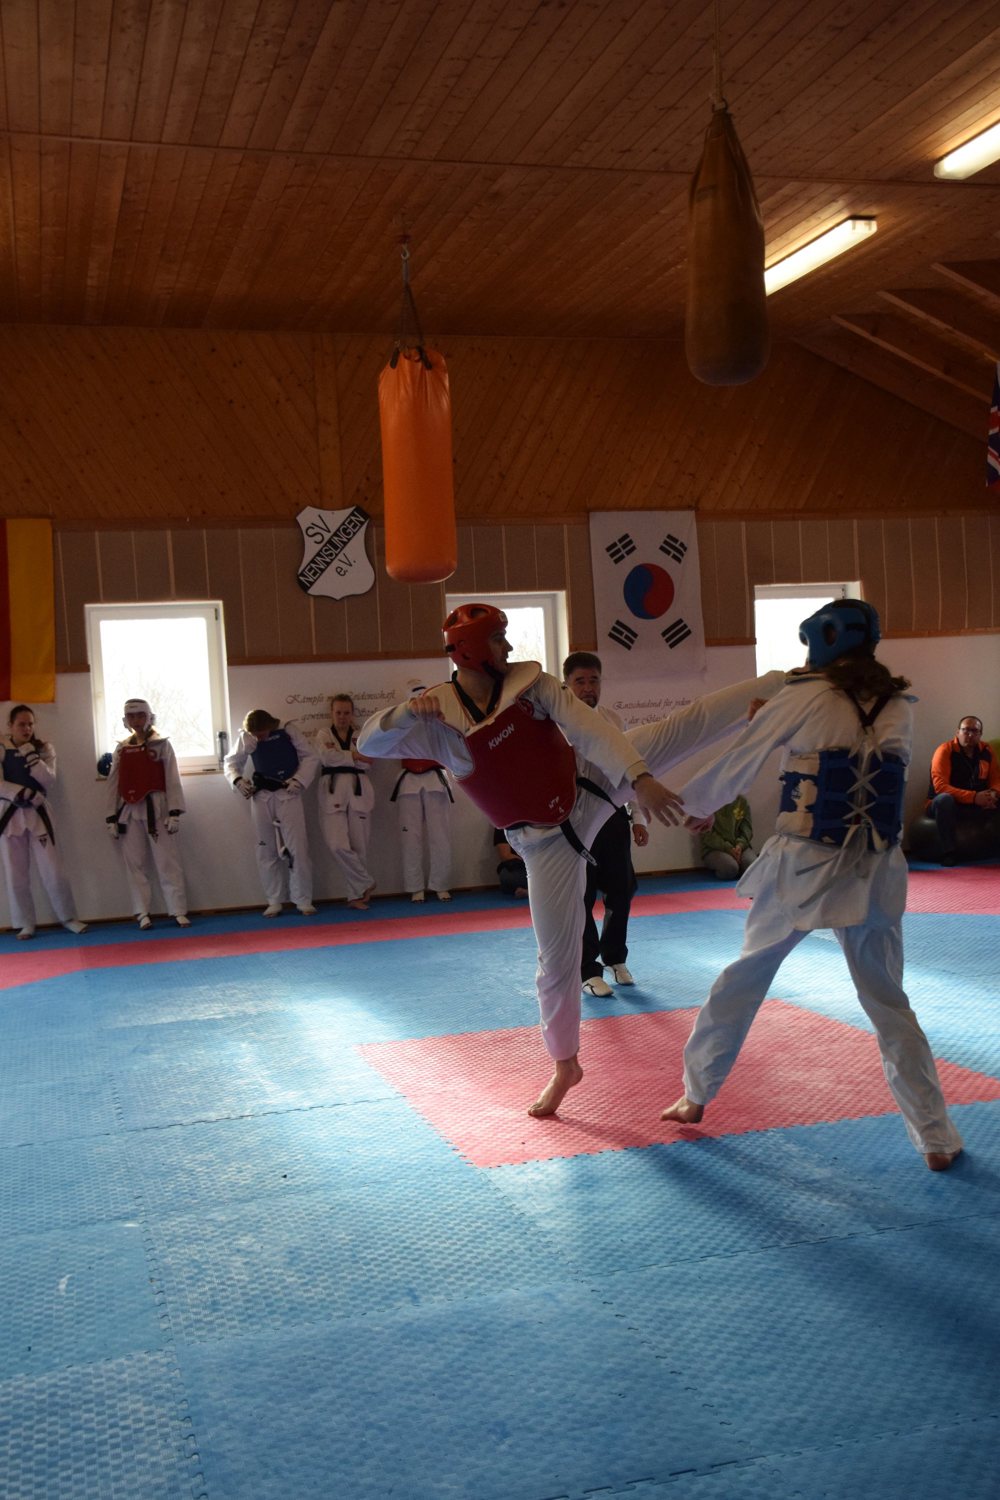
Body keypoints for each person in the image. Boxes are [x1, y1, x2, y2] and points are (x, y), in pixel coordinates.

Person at [358, 603, 784, 1118]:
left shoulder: (532, 685)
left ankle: (785, 682)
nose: (508, 648)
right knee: (555, 962)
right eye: (497, 639)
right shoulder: (437, 719)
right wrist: (406, 712)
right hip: (544, 845)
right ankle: (565, 1065)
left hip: (589, 783)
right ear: (468, 650)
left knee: (681, 726)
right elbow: (368, 742)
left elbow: (588, 729)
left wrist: (639, 777)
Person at [661, 599, 964, 1173]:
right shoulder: (900, 705)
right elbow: (845, 748)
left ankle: (695, 1094)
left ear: (821, 641)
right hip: (875, 870)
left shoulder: (803, 695)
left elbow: (746, 754)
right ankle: (936, 1136)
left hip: (803, 868)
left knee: (744, 977)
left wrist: (699, 804)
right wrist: (775, 722)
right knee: (889, 1004)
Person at [563, 651, 648, 998]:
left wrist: (638, 817)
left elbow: (630, 770)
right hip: (574, 820)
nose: (588, 688)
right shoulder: (557, 724)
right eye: (580, 681)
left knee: (622, 889)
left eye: (593, 680)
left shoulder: (614, 720)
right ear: (567, 685)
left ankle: (615, 957)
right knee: (581, 895)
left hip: (613, 814)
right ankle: (587, 968)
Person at [1, 704, 87, 938]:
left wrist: (31, 755)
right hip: (11, 815)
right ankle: (25, 922)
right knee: (16, 872)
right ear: (10, 725)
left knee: (53, 869)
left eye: (30, 724)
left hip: (38, 813)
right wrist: (22, 792)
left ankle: (67, 917)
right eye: (21, 724)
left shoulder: (44, 748)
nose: (26, 728)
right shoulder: (1, 748)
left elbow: (48, 780)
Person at [106, 698, 190, 930]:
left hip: (157, 809)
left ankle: (178, 910)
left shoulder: (162, 745)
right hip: (128, 811)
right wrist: (111, 816)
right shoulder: (121, 748)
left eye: (140, 715)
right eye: (131, 716)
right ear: (125, 720)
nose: (136, 720)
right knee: (135, 865)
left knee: (167, 861)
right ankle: (142, 912)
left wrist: (174, 812)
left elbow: (172, 778)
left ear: (149, 717)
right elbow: (113, 784)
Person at [226, 710, 318, 917]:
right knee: (265, 849)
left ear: (269, 725)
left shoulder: (287, 729)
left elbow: (310, 756)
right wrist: (237, 780)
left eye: (262, 734)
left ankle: (302, 899)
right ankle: (274, 900)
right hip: (261, 796)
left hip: (288, 792)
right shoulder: (247, 736)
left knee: (298, 848)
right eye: (255, 735)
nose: (259, 738)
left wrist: (300, 780)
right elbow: (231, 762)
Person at [313, 694, 376, 910]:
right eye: (338, 712)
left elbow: (368, 762)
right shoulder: (323, 734)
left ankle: (355, 896)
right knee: (337, 845)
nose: (342, 717)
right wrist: (355, 756)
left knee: (360, 846)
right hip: (332, 793)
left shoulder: (361, 735)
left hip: (359, 792)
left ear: (352, 714)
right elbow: (326, 758)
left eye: (346, 713)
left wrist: (346, 756)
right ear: (331, 713)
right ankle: (366, 882)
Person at [926, 715, 1000, 866]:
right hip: (946, 803)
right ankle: (948, 853)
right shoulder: (944, 750)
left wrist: (993, 793)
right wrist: (974, 797)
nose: (970, 735)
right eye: (966, 730)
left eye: (975, 731)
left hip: (976, 803)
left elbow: (996, 779)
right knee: (944, 799)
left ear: (980, 734)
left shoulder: (986, 750)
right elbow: (940, 787)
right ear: (958, 732)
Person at [391, 747, 454, 901]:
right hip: (408, 779)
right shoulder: (401, 729)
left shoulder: (438, 730)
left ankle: (441, 885)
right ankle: (415, 887)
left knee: (440, 837)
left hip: (436, 778)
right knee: (410, 839)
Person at [700, 795, 756, 879]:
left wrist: (740, 845)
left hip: (740, 847)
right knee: (730, 869)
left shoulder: (741, 801)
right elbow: (707, 835)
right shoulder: (707, 803)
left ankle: (739, 866)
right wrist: (728, 848)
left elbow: (747, 829)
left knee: (753, 867)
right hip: (714, 848)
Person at [494, 827, 528, 898]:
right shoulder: (502, 826)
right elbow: (505, 855)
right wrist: (526, 860)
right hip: (521, 866)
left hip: (539, 864)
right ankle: (534, 889)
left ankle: (530, 891)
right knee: (506, 876)